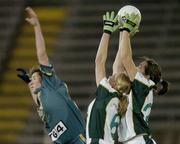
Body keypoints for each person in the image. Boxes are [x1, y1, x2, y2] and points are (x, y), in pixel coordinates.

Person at [17, 7, 86, 144]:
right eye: (31, 80)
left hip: (77, 138)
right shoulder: (41, 100)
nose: (32, 81)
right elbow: (36, 99)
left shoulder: (50, 83)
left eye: (35, 78)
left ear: (43, 79)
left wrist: (36, 26)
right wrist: (30, 83)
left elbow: (42, 55)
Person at [114, 12, 169, 144]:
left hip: (138, 140)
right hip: (135, 140)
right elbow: (118, 68)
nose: (136, 68)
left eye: (140, 66)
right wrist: (122, 31)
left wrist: (126, 29)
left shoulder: (144, 84)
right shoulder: (141, 87)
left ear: (148, 75)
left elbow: (126, 58)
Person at [86, 11, 131, 144]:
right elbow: (119, 65)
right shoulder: (118, 98)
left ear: (115, 85)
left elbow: (99, 61)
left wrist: (107, 31)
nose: (110, 75)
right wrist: (124, 33)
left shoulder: (107, 94)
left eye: (113, 76)